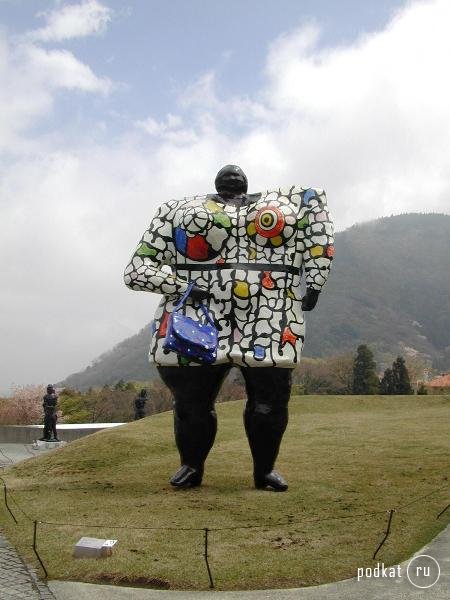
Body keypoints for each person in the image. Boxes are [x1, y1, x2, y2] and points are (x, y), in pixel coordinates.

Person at [124, 165, 334, 490]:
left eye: (238, 175)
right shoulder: (174, 211)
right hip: (197, 315)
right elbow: (137, 269)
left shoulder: (296, 204)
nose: (233, 175)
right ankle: (191, 465)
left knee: (271, 399)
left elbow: (318, 231)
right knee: (191, 402)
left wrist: (317, 277)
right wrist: (183, 287)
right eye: (227, 175)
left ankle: (264, 470)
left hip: (270, 309)